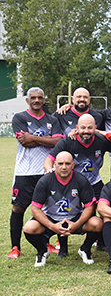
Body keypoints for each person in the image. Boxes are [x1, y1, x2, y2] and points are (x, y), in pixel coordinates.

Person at [44, 114, 111, 256]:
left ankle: (93, 244)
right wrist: (49, 171)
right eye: (83, 128)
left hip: (94, 182)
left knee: (101, 211)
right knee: (64, 211)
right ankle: (63, 248)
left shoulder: (101, 141)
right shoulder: (68, 141)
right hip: (71, 184)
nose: (86, 131)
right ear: (76, 128)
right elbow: (49, 159)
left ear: (95, 128)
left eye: (90, 128)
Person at [8, 87, 63, 259]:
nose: (36, 100)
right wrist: (47, 140)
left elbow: (58, 142)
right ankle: (15, 247)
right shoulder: (20, 117)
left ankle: (45, 243)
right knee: (18, 208)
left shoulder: (52, 119)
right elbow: (25, 142)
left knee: (47, 209)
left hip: (46, 171)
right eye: (33, 98)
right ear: (28, 100)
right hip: (24, 172)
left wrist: (34, 138)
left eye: (40, 98)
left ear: (44, 100)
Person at [24, 152, 102, 267]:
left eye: (67, 163)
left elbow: (89, 206)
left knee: (98, 223)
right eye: (60, 164)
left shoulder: (81, 180)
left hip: (74, 218)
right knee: (29, 228)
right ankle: (42, 251)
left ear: (73, 165)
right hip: (51, 218)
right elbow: (35, 209)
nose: (64, 167)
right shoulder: (45, 181)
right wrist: (52, 226)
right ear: (54, 164)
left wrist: (76, 224)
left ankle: (85, 249)